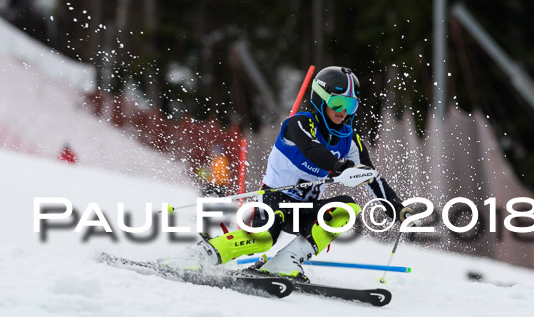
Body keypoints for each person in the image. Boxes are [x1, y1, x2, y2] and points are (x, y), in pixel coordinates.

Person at [174, 66, 414, 282]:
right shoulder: (297, 123)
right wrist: (341, 167)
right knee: (263, 239)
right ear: (320, 100)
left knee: (346, 208)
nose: (343, 112)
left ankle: (284, 262)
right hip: (273, 202)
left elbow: (372, 177)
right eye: (337, 103)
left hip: (304, 210)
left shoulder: (350, 140)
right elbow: (312, 150)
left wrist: (395, 207)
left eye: (350, 105)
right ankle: (202, 254)